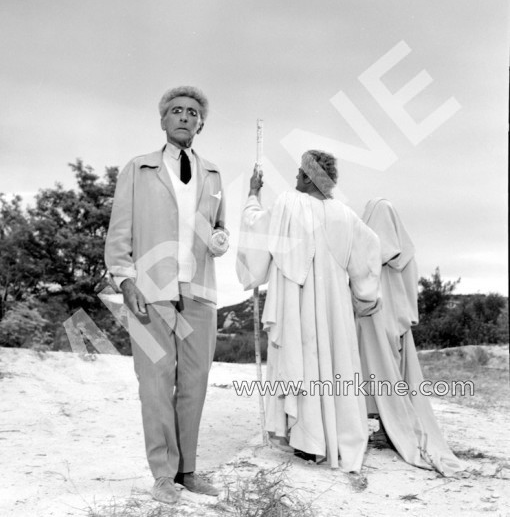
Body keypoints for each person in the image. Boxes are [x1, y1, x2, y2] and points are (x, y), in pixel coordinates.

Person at [104, 86, 229, 504]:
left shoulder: (213, 174)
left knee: (194, 382)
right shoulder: (138, 169)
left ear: (200, 124)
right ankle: (162, 475)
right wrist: (124, 280)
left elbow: (219, 227)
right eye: (176, 111)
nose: (184, 117)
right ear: (163, 120)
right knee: (155, 384)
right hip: (150, 292)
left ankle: (186, 471)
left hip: (200, 292)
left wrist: (220, 237)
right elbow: (119, 231)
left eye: (192, 113)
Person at [236, 151, 382, 473]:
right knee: (333, 365)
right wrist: (365, 295)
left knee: (302, 361)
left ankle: (307, 441)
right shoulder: (345, 215)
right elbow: (370, 249)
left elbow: (256, 228)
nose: (295, 179)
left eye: (299, 173)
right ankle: (330, 439)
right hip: (334, 306)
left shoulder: (289, 204)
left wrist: (253, 194)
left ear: (306, 177)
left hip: (296, 304)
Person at [356, 198, 463, 476]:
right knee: (391, 378)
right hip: (395, 322)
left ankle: (383, 429)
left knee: (372, 374)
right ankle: (388, 430)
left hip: (372, 320)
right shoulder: (407, 252)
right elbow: (409, 292)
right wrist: (405, 320)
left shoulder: (369, 254)